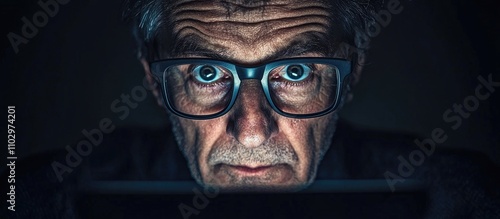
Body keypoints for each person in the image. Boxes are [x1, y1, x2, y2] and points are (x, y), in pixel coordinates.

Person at [5, 0, 499, 218]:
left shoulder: (457, 201)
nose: (252, 131)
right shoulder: (40, 201)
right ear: (154, 81)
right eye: (206, 73)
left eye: (297, 72)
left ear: (351, 73)